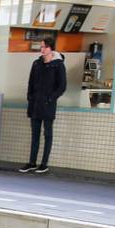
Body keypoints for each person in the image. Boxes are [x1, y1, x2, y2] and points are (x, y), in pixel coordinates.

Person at [19, 37, 66, 174]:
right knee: (35, 134)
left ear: (51, 48)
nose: (42, 49)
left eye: (44, 47)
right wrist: (30, 97)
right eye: (41, 47)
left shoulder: (58, 65)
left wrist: (50, 99)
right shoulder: (36, 64)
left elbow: (62, 86)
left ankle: (44, 164)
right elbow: (31, 83)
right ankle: (32, 162)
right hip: (35, 104)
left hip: (48, 105)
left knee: (47, 134)